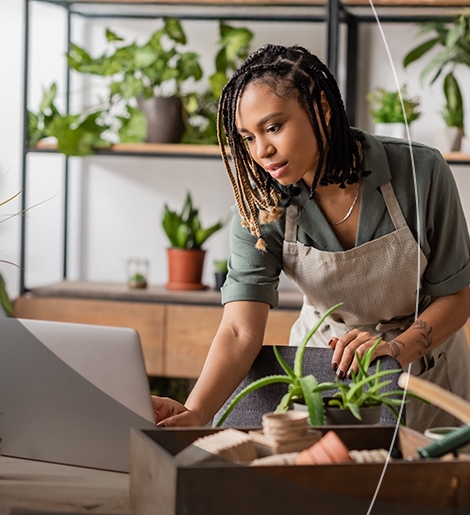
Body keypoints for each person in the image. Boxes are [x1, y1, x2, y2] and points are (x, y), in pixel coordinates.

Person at [152, 44, 470, 432]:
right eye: (248, 138)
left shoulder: (420, 171)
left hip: (426, 371)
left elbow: (456, 295)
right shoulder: (261, 203)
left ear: (322, 107)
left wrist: (394, 351)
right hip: (326, 368)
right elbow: (239, 328)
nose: (262, 151)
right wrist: (198, 412)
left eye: (272, 127)